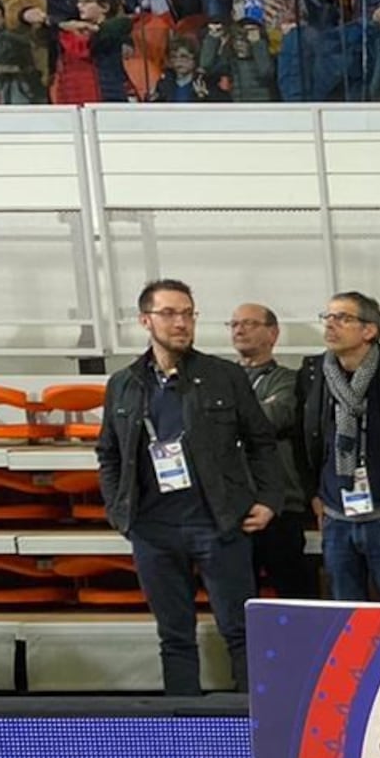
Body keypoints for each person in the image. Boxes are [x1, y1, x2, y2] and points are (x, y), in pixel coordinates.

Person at [95, 280, 286, 696]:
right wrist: (118, 511)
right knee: (174, 635)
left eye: (188, 313)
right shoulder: (123, 384)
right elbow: (108, 453)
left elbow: (261, 442)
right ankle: (183, 723)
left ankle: (249, 720)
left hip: (217, 523)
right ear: (146, 320)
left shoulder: (224, 376)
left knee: (239, 631)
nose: (181, 323)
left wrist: (269, 499)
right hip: (152, 528)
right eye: (169, 314)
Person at [299, 291, 380, 605]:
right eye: (327, 317)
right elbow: (302, 439)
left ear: (369, 330)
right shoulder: (314, 374)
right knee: (345, 613)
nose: (330, 325)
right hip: (335, 513)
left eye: (342, 318)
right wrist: (312, 495)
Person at [229, 304, 317, 603]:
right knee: (241, 601)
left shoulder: (290, 380)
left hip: (281, 507)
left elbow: (273, 418)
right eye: (235, 324)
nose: (239, 329)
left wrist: (224, 417)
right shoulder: (219, 380)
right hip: (232, 508)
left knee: (296, 598)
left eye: (250, 323)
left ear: (273, 333)